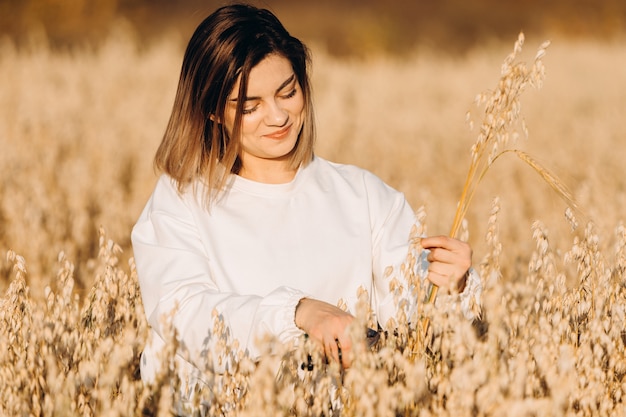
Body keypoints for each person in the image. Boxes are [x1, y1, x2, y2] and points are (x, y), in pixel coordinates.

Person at [131, 3, 481, 393]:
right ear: (211, 112)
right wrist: (297, 313)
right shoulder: (180, 202)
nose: (278, 116)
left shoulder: (362, 195)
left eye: (288, 91)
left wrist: (453, 286)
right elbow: (186, 317)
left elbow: (415, 321)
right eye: (250, 106)